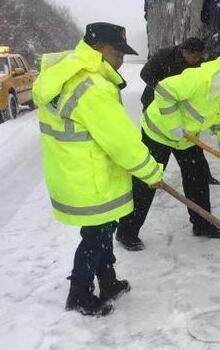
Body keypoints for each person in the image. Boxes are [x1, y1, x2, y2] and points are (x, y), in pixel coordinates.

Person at [32, 22, 164, 316]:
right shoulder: (93, 88)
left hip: (78, 173)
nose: (121, 58)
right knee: (96, 235)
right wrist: (151, 172)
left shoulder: (69, 73)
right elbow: (122, 143)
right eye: (117, 51)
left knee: (103, 230)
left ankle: (108, 281)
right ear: (99, 48)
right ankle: (79, 293)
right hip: (92, 176)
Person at [116, 55, 220, 250]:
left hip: (186, 139)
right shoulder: (202, 79)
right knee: (146, 182)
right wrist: (173, 125)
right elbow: (164, 90)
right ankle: (126, 232)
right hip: (159, 131)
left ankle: (202, 224)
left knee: (198, 180)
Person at [140, 37, 220, 186]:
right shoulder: (165, 56)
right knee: (156, 147)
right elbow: (145, 73)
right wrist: (163, 89)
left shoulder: (202, 62)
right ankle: (150, 178)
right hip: (156, 105)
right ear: (185, 52)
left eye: (200, 56)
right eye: (194, 56)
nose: (197, 60)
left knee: (193, 148)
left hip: (184, 111)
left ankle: (203, 176)